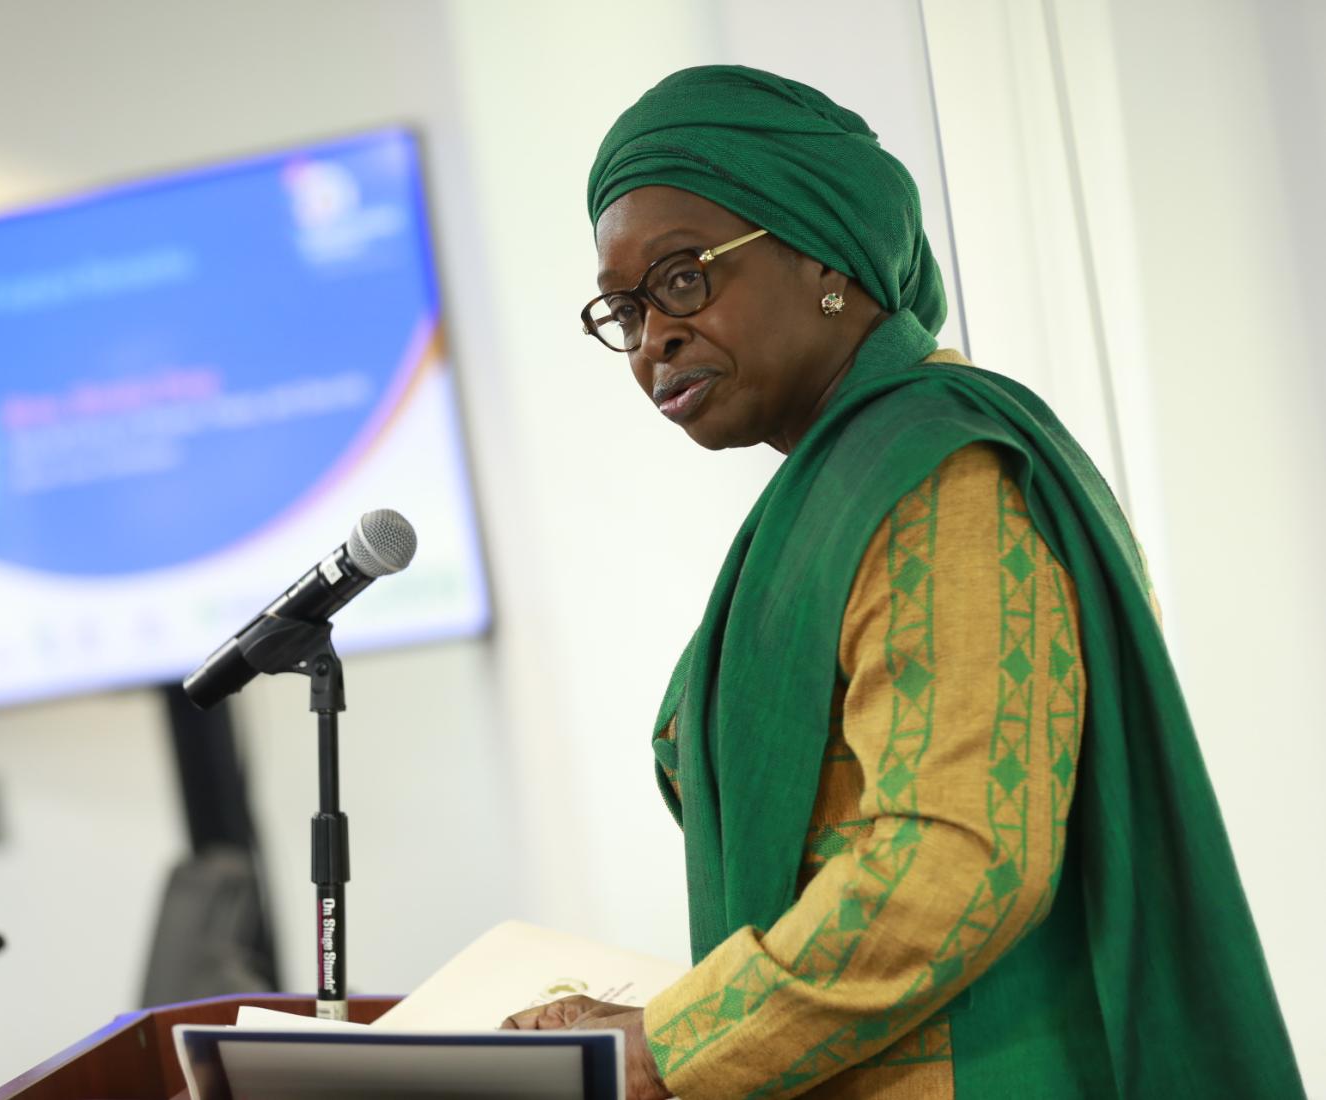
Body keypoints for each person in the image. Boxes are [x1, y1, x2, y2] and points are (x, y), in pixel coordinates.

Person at [501, 65, 1303, 1100]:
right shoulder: (825, 497)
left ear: (826, 257)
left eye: (685, 276)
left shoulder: (941, 476)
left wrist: (670, 1042)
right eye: (623, 305)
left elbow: (956, 856)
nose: (652, 333)